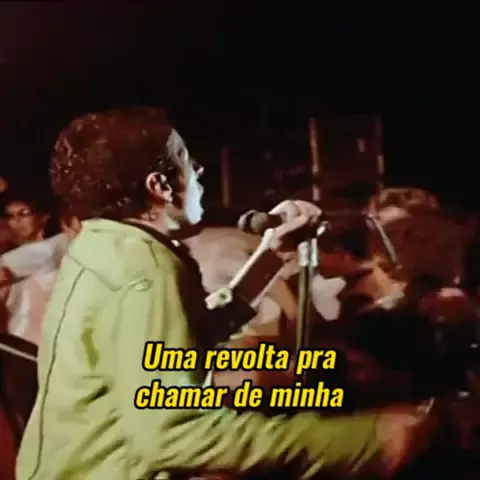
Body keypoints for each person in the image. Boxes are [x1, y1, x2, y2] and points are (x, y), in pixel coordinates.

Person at [17, 107, 433, 480]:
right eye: (188, 162)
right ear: (159, 185)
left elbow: (181, 338)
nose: (200, 173)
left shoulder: (107, 246)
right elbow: (176, 433)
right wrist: (367, 441)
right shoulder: (142, 269)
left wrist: (273, 253)